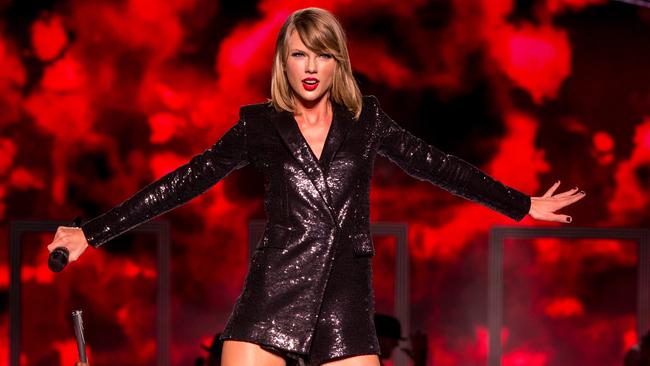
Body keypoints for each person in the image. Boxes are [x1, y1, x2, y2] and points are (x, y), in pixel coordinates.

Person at [46, 7, 586, 366]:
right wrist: (92, 233)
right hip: (272, 290)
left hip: (345, 296)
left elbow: (437, 164)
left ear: (337, 62)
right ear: (285, 60)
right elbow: (186, 180)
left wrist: (521, 204)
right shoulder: (260, 126)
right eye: (299, 53)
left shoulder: (367, 120)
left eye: (321, 54)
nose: (310, 66)